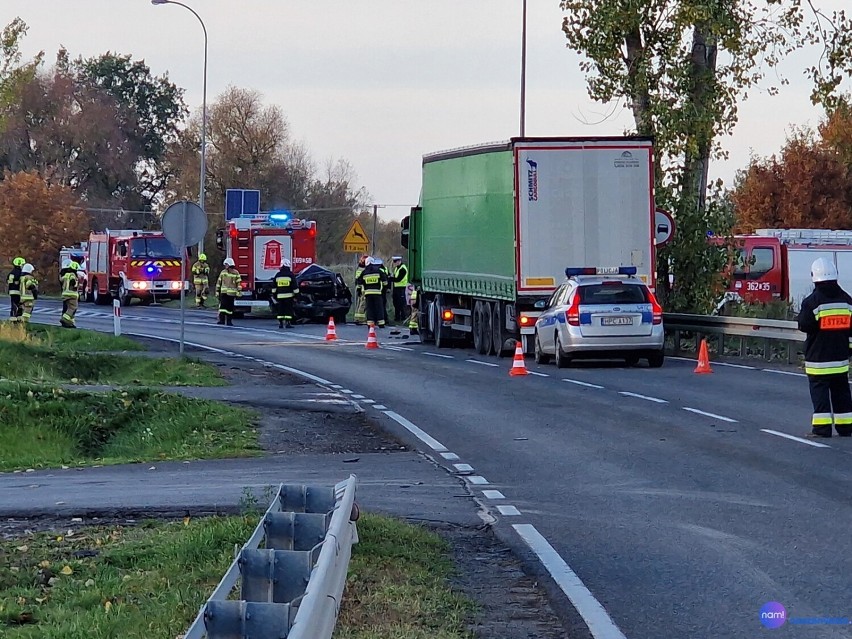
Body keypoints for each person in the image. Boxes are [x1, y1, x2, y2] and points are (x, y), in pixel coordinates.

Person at [797, 257, 852, 438]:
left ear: (815, 277)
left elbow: (804, 325)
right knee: (841, 392)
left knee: (820, 393)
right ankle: (846, 428)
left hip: (818, 360)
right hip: (841, 359)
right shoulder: (847, 301)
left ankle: (822, 429)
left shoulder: (812, 302)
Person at [355, 257, 387, 328]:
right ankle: (381, 323)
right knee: (379, 308)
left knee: (370, 308)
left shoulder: (364, 272)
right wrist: (384, 289)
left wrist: (359, 290)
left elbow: (359, 282)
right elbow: (385, 281)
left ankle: (370, 323)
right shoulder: (378, 271)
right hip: (377, 293)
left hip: (368, 294)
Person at [272, 258, 298, 328]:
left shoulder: (278, 275)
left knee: (281, 310)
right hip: (289, 297)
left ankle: (280, 324)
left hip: (280, 297)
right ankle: (288, 323)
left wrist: (274, 296)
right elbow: (294, 287)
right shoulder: (290, 275)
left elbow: (274, 287)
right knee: (288, 310)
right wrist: (296, 296)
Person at [215, 258, 241, 326]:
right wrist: (217, 291)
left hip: (232, 294)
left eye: (226, 264)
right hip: (224, 293)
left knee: (230, 308)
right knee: (222, 307)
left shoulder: (236, 273)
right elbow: (219, 282)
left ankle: (229, 321)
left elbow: (238, 283)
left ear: (229, 264)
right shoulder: (223, 272)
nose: (225, 266)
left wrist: (239, 291)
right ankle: (222, 320)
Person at [60, 260, 80, 328]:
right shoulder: (73, 275)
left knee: (67, 308)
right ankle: (65, 319)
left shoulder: (66, 275)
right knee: (73, 308)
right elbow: (72, 280)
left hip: (65, 294)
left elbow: (61, 280)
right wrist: (73, 283)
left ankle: (70, 323)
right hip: (72, 295)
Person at [391, 256, 409, 322]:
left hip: (401, 288)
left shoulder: (403, 269)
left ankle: (403, 317)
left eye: (395, 262)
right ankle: (397, 317)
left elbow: (398, 279)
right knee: (396, 303)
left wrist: (390, 279)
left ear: (399, 261)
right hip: (396, 288)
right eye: (394, 262)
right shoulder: (397, 268)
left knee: (401, 303)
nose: (394, 263)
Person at [7, 256, 24, 320]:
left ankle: (13, 318)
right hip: (19, 292)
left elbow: (9, 281)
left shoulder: (12, 272)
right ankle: (18, 318)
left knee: (14, 305)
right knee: (20, 306)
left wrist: (14, 282)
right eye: (22, 264)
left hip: (12, 291)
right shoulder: (22, 273)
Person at [353, 254, 368, 325]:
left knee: (359, 304)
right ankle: (360, 319)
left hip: (360, 289)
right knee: (363, 304)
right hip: (363, 289)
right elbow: (359, 280)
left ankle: (357, 318)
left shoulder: (359, 269)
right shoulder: (364, 270)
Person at [376, 257, 391, 325]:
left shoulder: (378, 270)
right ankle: (385, 319)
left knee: (380, 306)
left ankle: (381, 319)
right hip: (383, 290)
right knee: (383, 305)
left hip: (380, 290)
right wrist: (388, 288)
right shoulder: (385, 269)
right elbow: (388, 279)